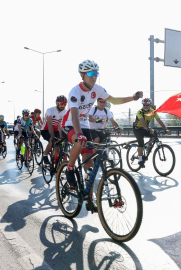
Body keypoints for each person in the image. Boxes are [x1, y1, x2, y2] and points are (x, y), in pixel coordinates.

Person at [61, 59, 143, 212]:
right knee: (79, 142)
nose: (94, 76)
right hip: (70, 125)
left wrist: (133, 97)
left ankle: (89, 199)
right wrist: (79, 135)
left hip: (84, 125)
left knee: (90, 167)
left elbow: (114, 100)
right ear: (82, 75)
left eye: (96, 73)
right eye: (91, 73)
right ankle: (70, 168)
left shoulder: (97, 89)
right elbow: (74, 116)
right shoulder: (75, 92)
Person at [132, 98, 170, 168]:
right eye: (144, 105)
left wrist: (165, 129)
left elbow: (159, 121)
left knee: (154, 135)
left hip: (145, 128)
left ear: (150, 105)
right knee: (141, 144)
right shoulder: (140, 112)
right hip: (137, 129)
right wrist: (148, 129)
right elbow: (142, 123)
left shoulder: (153, 112)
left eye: (147, 105)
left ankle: (148, 147)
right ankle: (140, 161)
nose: (145, 106)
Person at [41, 95, 68, 165]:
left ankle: (56, 163)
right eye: (61, 104)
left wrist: (62, 134)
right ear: (57, 103)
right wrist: (52, 136)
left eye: (65, 104)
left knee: (58, 147)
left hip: (56, 130)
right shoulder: (50, 110)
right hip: (45, 130)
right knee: (52, 140)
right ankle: (45, 155)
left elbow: (62, 125)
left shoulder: (65, 112)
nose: (63, 106)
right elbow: (49, 124)